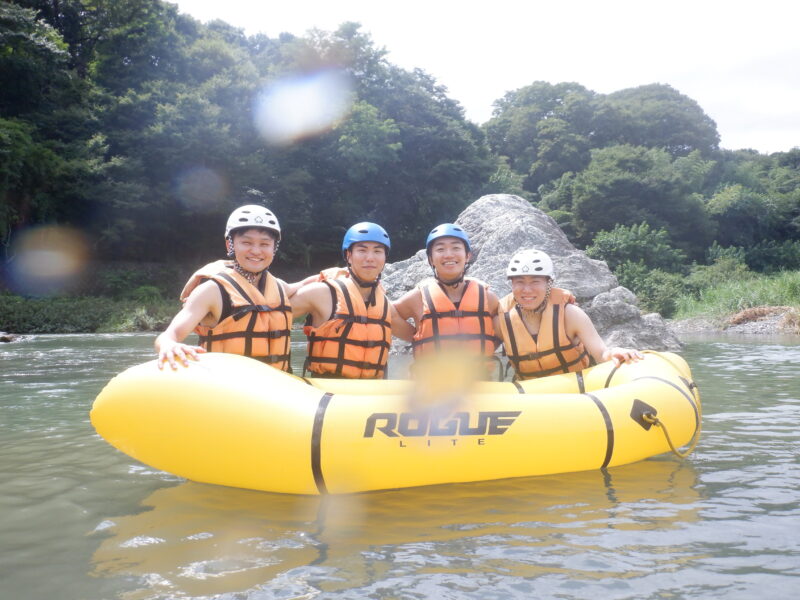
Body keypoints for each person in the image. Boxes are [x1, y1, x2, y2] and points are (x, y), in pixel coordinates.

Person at [155, 205, 298, 370]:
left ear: (274, 247)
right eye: (246, 242)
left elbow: (301, 285)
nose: (256, 251)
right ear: (230, 245)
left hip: (277, 385)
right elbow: (169, 335)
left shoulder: (278, 287)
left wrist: (331, 274)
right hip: (229, 388)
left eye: (265, 244)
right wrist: (167, 345)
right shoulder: (211, 291)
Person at [494, 248, 642, 380]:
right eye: (519, 282)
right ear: (511, 284)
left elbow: (602, 353)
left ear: (548, 284)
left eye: (535, 281)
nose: (527, 290)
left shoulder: (570, 315)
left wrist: (613, 353)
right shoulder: (501, 321)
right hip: (531, 398)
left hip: (576, 393)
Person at [290, 222, 414, 379]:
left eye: (377, 251)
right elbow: (269, 318)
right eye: (362, 250)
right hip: (330, 394)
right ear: (348, 255)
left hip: (372, 395)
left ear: (384, 258)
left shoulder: (384, 306)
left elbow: (419, 339)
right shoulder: (320, 293)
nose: (370, 258)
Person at [394, 223, 500, 373]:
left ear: (467, 256)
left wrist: (488, 343)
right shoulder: (417, 297)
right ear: (431, 259)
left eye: (456, 248)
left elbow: (509, 323)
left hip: (479, 384)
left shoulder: (487, 297)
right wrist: (418, 337)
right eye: (440, 249)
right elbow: (386, 315)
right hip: (432, 388)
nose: (449, 254)